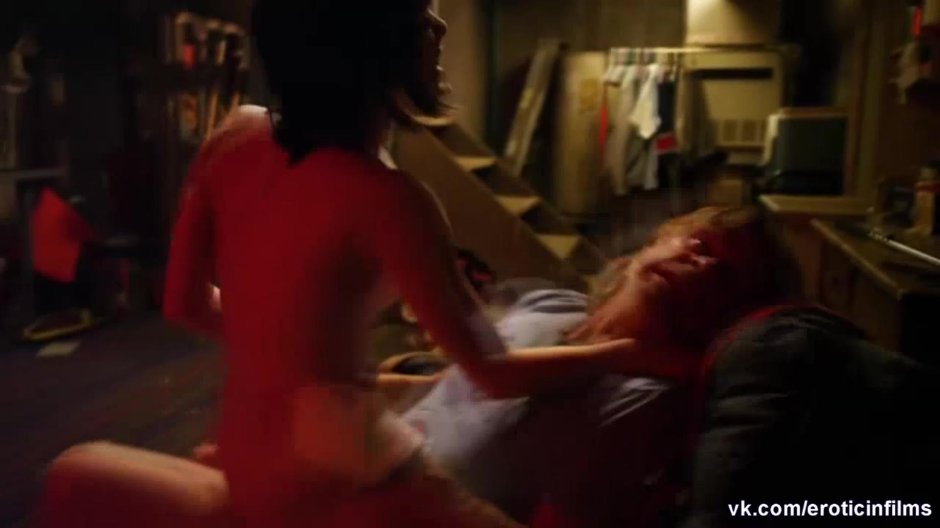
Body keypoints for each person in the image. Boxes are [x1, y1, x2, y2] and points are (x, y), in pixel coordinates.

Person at [161, 1, 689, 526]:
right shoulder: (388, 197)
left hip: (247, 452)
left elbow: (184, 304)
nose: (439, 28)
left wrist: (296, 356)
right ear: (367, 41)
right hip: (344, 468)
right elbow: (495, 373)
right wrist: (625, 352)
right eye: (421, 15)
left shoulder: (236, 135)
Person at [396, 206, 940, 528]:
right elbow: (448, 384)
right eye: (699, 243)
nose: (698, 262)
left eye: (722, 273)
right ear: (649, 245)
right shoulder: (552, 304)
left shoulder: (650, 399)